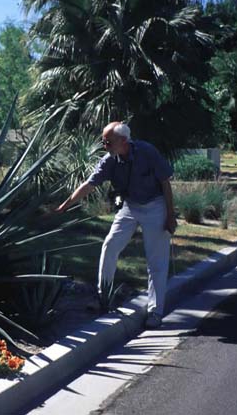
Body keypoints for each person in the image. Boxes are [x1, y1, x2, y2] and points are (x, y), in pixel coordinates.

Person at [55, 122, 177, 329]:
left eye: (108, 142)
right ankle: (103, 297)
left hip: (155, 205)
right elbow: (89, 185)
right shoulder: (109, 160)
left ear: (123, 141)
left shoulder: (147, 152)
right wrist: (64, 206)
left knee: (156, 262)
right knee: (110, 245)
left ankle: (155, 312)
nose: (104, 145)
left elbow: (165, 182)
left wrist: (170, 215)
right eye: (103, 141)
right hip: (130, 206)